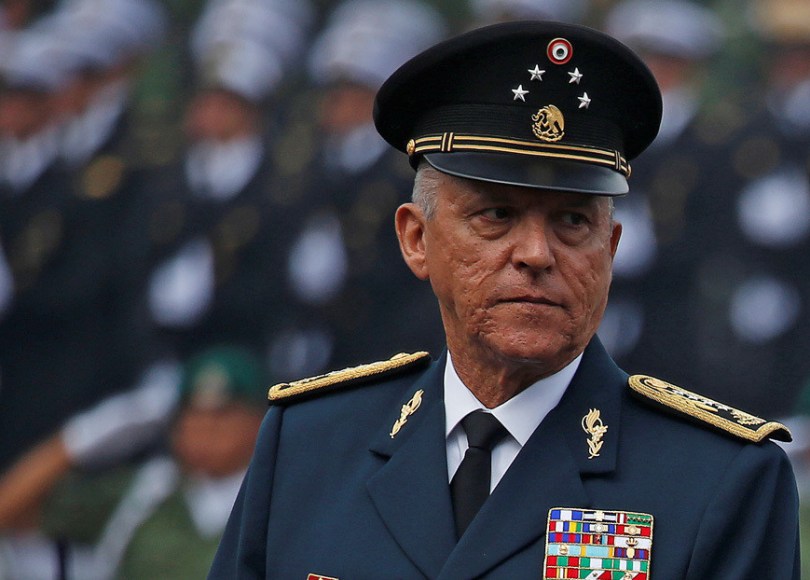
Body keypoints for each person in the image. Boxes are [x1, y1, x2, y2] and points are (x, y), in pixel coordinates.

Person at [209, 21, 799, 578]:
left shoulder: (719, 479)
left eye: (573, 220)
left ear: (611, 250)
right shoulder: (309, 446)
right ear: (416, 239)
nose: (537, 253)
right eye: (496, 214)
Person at [0, 344, 266, 579]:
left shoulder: (274, 504)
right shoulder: (145, 493)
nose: (204, 428)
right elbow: (9, 510)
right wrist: (80, 438)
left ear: (259, 422)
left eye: (223, 414)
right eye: (192, 413)